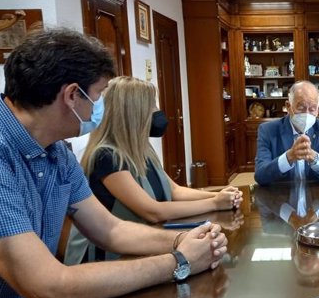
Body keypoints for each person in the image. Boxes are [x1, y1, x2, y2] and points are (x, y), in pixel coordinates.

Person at [0, 28, 227, 298]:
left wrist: (184, 239)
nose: (100, 108)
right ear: (72, 95)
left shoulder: (56, 150)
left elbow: (111, 229)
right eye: (97, 96)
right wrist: (179, 262)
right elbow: (46, 288)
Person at [64, 76, 242, 264]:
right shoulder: (106, 157)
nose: (157, 113)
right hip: (109, 257)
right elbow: (153, 211)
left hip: (144, 242)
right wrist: (215, 203)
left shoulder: (142, 149)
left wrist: (220, 195)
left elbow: (175, 191)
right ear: (134, 113)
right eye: (151, 106)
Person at [254, 81, 319, 185]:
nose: (307, 114)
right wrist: (288, 157)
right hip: (281, 196)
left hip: (317, 196)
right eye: (301, 108)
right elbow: (260, 176)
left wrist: (314, 158)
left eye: (312, 109)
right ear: (288, 106)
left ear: (318, 109)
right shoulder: (267, 130)